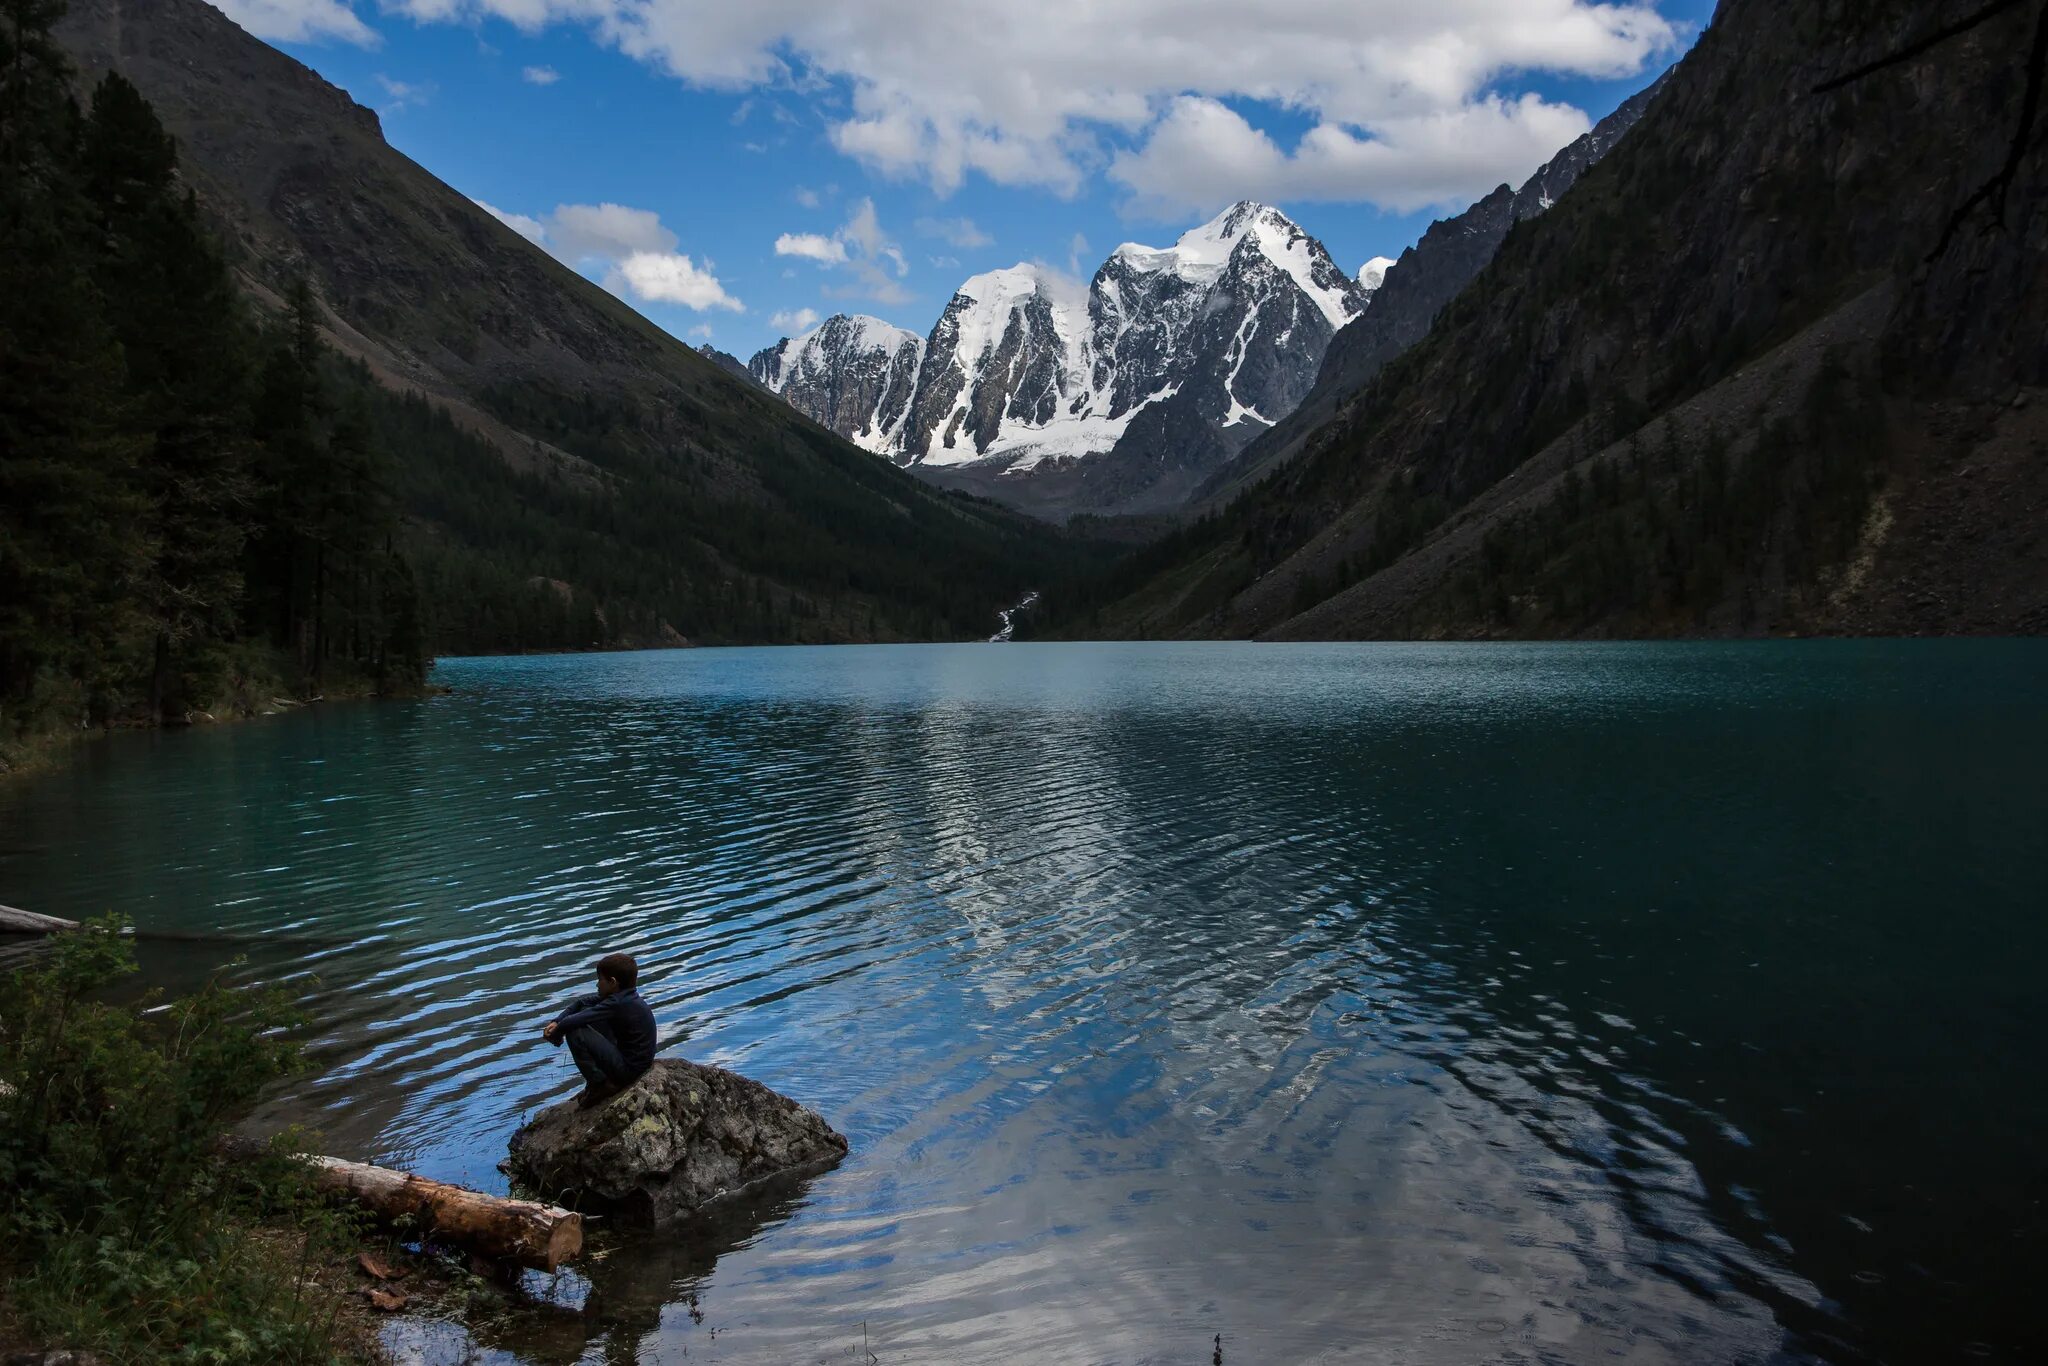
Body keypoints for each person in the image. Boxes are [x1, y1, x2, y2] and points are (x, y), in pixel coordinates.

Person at [542, 952, 657, 1108]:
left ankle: (601, 1083)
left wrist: (556, 1033)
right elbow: (581, 1003)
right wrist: (557, 1021)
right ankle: (600, 1081)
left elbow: (574, 1022)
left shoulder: (617, 1003)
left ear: (612, 982)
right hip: (631, 1060)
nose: (597, 984)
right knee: (584, 1011)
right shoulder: (623, 997)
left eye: (600, 980)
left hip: (629, 1070)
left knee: (576, 1031)